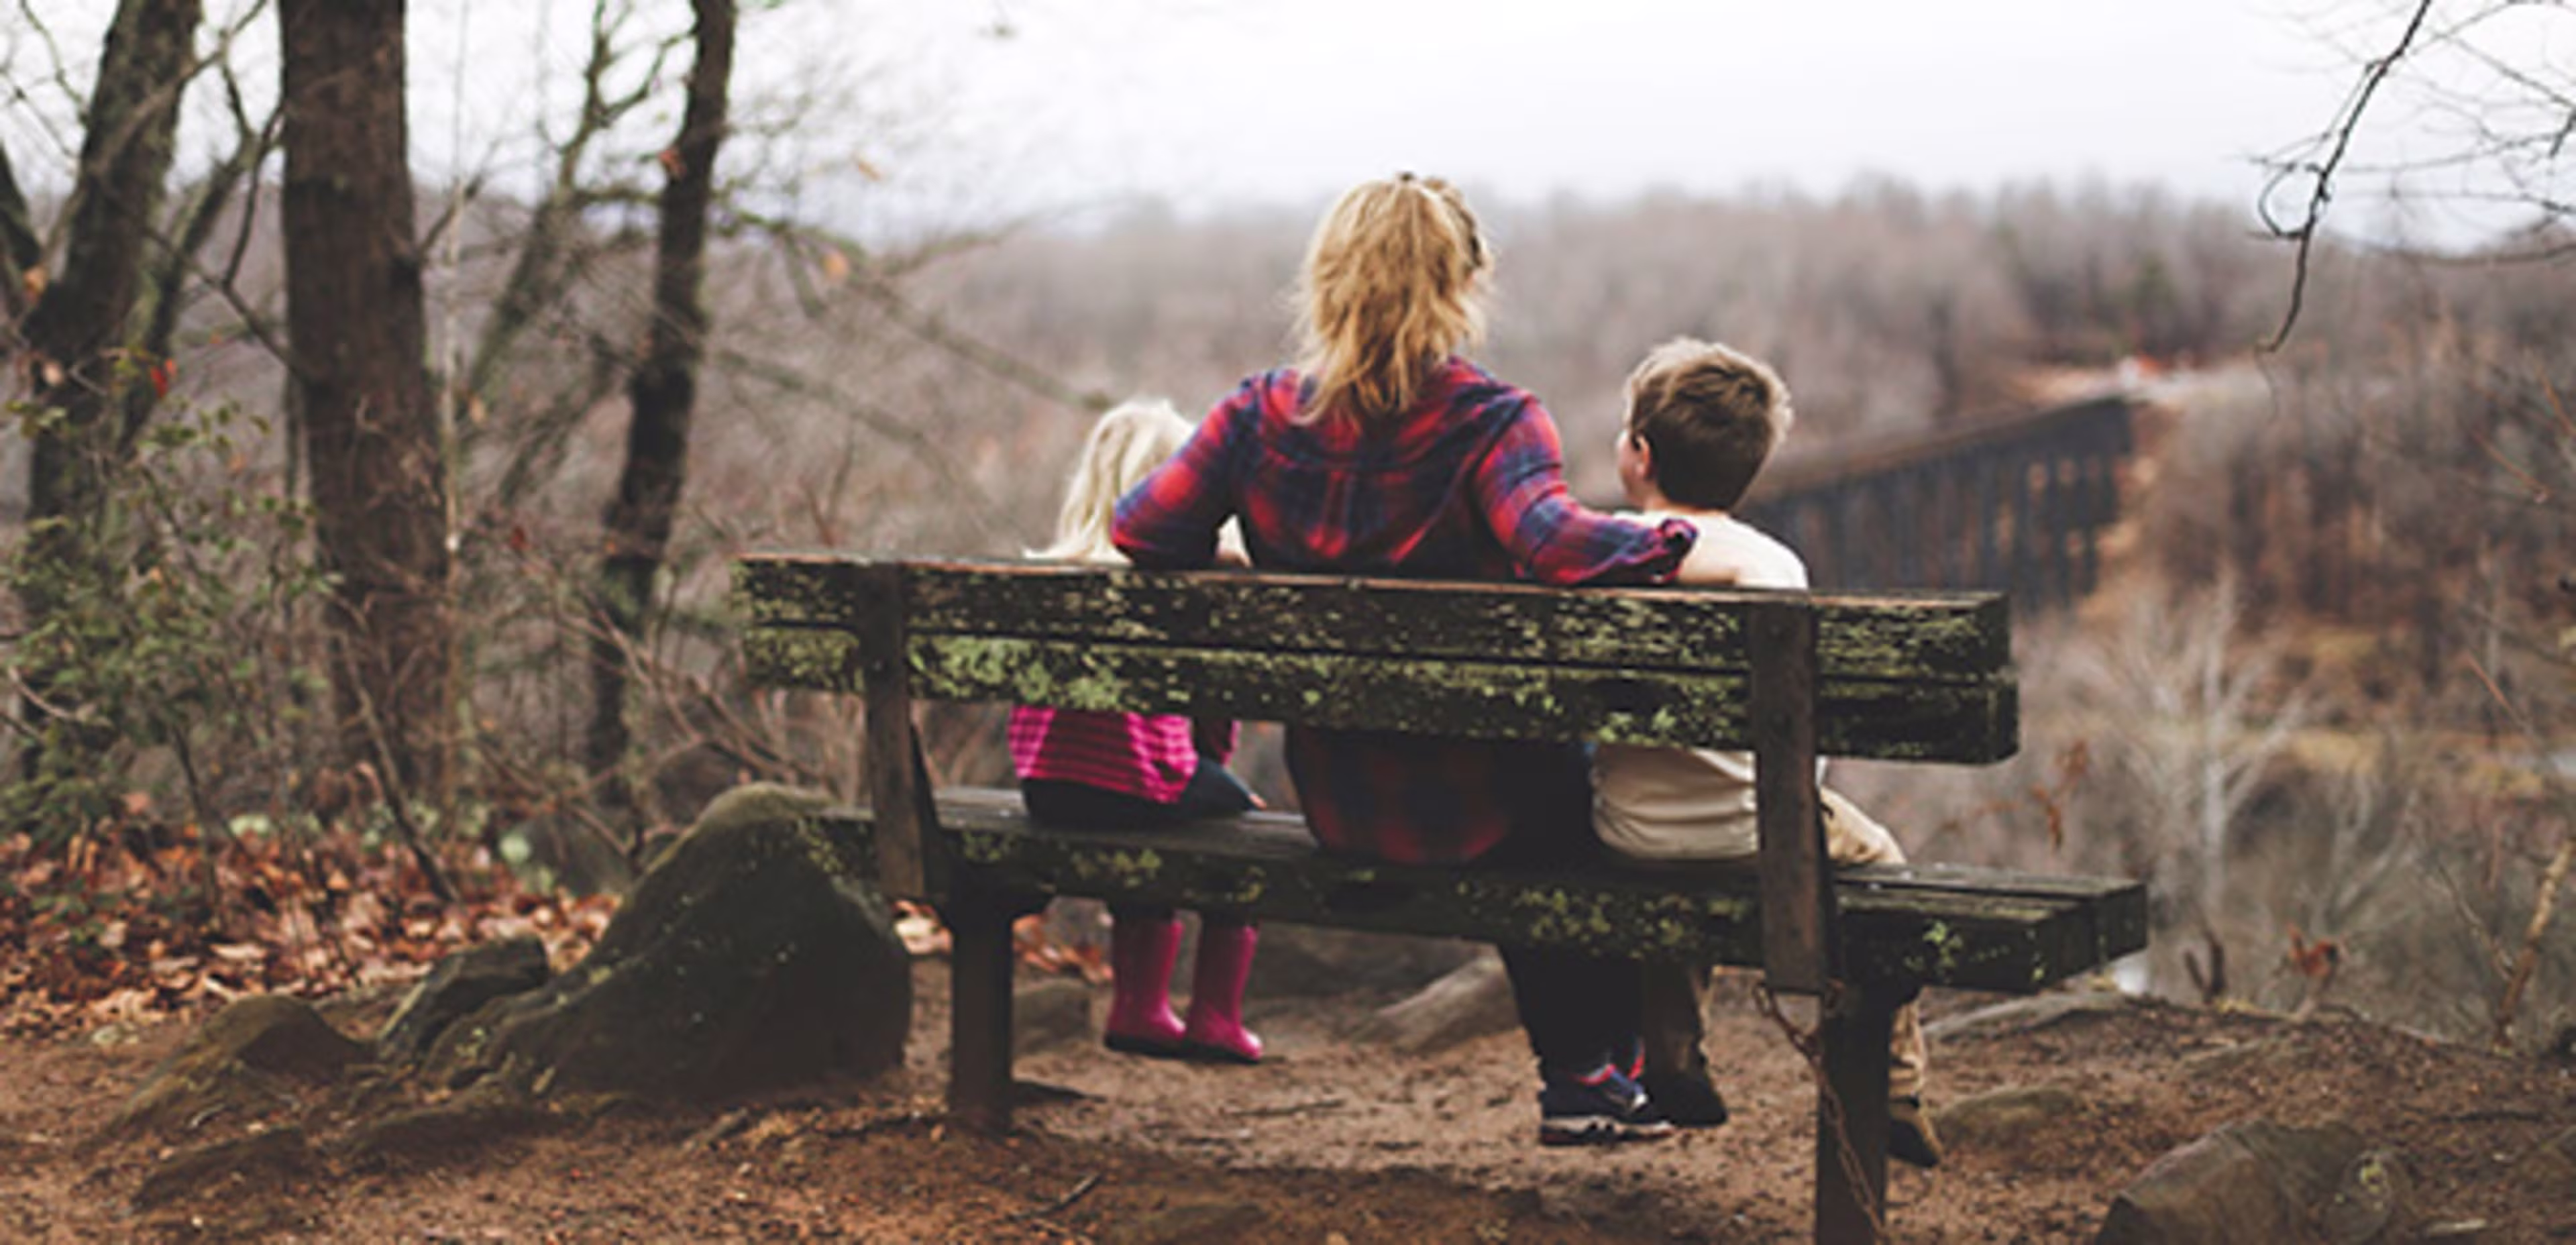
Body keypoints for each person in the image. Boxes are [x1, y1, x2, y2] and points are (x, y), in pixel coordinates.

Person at [1113, 173, 1697, 1146]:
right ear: (1464, 284)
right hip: (1486, 806)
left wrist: (1227, 556)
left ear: (1328, 282)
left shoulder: (1255, 417)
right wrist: (1670, 540)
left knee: (1544, 785)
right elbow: (1553, 543)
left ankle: (1598, 1074)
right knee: (1571, 792)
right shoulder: (1494, 421)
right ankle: (1592, 1072)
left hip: (1342, 800)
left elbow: (1141, 530)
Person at [1589, 336, 1944, 1167]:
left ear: (1638, 456)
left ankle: (1671, 1053)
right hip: (1763, 833)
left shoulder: (1599, 553)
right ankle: (1896, 1084)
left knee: (1674, 852)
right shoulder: (1773, 565)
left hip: (1627, 832)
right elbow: (1798, 736)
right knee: (1881, 861)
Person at [1010, 398, 1267, 1065]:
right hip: (1139, 784)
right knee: (1241, 821)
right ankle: (1214, 1016)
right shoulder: (1176, 581)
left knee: (1151, 804)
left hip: (1047, 787)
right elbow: (1209, 720)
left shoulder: (1051, 575)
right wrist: (1217, 767)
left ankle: (1141, 1005)